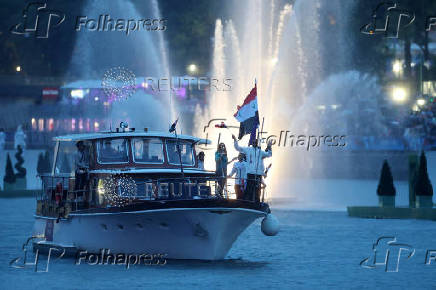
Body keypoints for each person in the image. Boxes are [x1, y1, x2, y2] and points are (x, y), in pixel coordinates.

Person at [232, 134, 272, 202]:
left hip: (258, 174)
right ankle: (247, 201)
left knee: (257, 190)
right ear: (251, 143)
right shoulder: (248, 149)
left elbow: (269, 154)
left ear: (257, 143)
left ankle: (257, 202)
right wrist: (235, 140)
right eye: (253, 142)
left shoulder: (260, 152)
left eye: (256, 142)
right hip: (250, 173)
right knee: (249, 189)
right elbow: (238, 148)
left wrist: (269, 146)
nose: (254, 143)